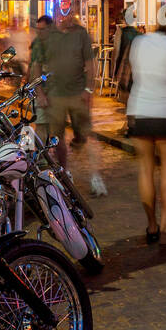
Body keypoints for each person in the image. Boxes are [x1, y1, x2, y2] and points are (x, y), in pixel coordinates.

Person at [123, 7, 166, 248]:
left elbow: (132, 75)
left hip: (140, 110)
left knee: (145, 170)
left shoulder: (138, 42)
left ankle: (151, 225)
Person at [45, 10, 107, 197]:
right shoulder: (50, 35)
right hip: (56, 94)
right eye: (62, 13)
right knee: (57, 137)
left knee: (86, 136)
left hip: (78, 94)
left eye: (69, 13)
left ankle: (96, 177)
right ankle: (64, 174)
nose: (66, 17)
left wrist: (89, 89)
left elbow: (89, 63)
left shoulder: (81, 34)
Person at [27, 15, 54, 141]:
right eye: (38, 29)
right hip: (41, 90)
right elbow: (34, 66)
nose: (39, 32)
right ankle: (41, 158)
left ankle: (46, 156)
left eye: (42, 29)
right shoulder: (38, 43)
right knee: (41, 123)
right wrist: (40, 93)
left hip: (53, 91)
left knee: (50, 125)